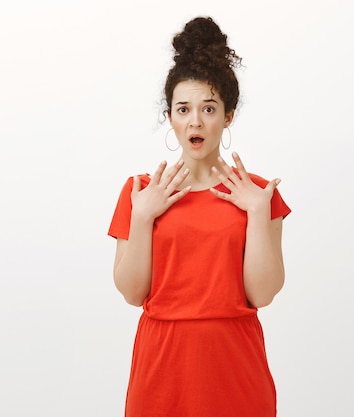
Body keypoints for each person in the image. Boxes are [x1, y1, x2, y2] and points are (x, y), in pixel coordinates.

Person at [107, 16, 291, 417]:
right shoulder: (140, 191)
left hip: (234, 366)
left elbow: (263, 294)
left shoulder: (258, 193)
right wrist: (143, 217)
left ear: (227, 116)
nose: (195, 121)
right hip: (163, 366)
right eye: (183, 109)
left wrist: (258, 214)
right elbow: (131, 292)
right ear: (169, 116)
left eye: (209, 108)